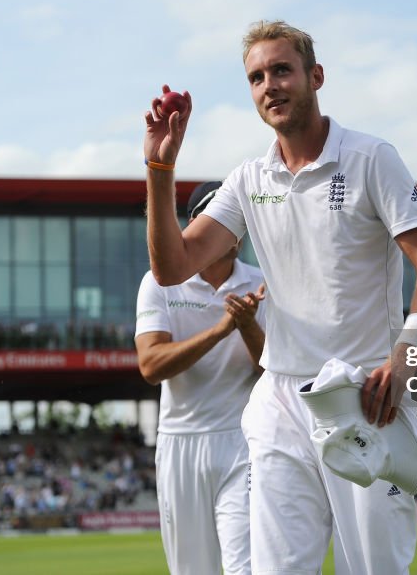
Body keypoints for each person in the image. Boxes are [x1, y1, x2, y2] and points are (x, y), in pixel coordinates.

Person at [141, 20, 417, 573]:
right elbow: (172, 267)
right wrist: (160, 167)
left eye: (282, 70)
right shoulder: (247, 178)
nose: (270, 86)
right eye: (257, 77)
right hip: (280, 398)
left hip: (364, 393)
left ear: (316, 76)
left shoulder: (371, 157)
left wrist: (405, 358)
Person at [134, 180, 266, 575]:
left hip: (243, 441)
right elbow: (151, 366)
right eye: (215, 220)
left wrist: (246, 326)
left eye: (233, 223)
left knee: (246, 567)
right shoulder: (158, 282)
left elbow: (273, 369)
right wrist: (221, 330)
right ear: (193, 225)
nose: (226, 232)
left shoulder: (262, 283)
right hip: (180, 444)